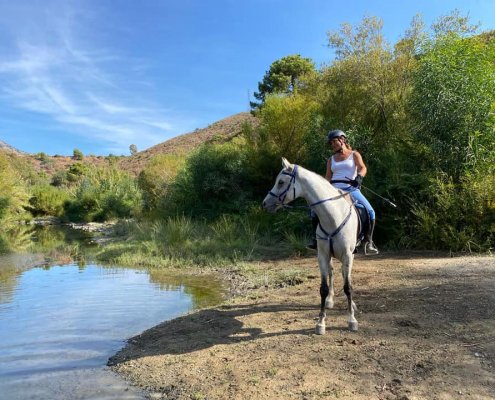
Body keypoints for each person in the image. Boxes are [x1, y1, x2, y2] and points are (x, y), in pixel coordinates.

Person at [307, 129, 379, 254]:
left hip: (351, 189)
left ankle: (368, 242)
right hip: (333, 189)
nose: (333, 145)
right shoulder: (331, 159)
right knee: (314, 211)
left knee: (370, 211)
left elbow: (363, 167)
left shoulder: (354, 154)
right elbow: (328, 177)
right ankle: (316, 240)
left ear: (342, 139)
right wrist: (320, 188)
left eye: (334, 141)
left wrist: (359, 177)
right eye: (331, 143)